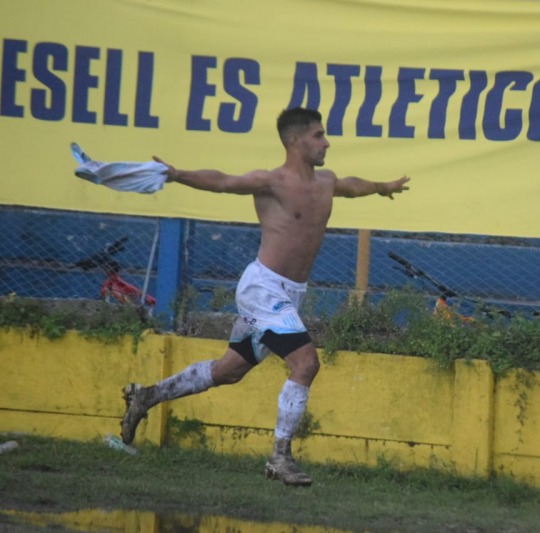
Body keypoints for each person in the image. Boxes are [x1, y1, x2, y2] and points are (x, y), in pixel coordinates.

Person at [120, 107, 410, 486]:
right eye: (318, 135)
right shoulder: (271, 182)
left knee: (229, 371)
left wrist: (382, 187)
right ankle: (279, 458)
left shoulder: (326, 181)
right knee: (305, 364)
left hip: (289, 295)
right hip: (263, 289)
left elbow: (352, 185)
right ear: (295, 141)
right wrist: (177, 175)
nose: (326, 142)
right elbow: (222, 181)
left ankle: (145, 397)